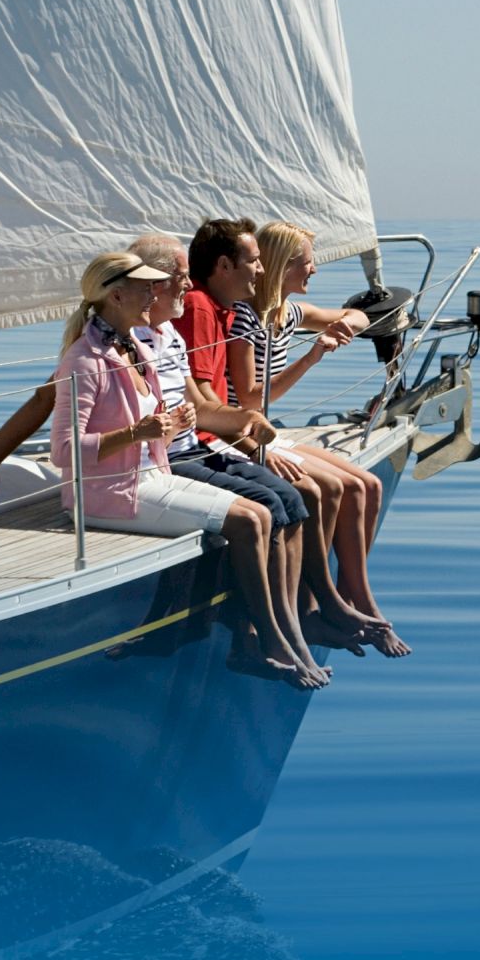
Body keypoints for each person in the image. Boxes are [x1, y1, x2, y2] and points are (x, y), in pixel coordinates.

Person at [0, 250, 321, 689]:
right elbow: (64, 450)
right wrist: (138, 432)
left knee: (261, 514)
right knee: (248, 519)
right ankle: (269, 641)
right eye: (146, 286)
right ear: (116, 295)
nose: (155, 292)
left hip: (150, 478)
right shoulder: (86, 360)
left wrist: (234, 422)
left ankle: (265, 639)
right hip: (109, 494)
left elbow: (168, 425)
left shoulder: (132, 349)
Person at [127, 231, 327, 683]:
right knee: (266, 509)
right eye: (179, 277)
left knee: (290, 502)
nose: (188, 283)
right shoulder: (135, 340)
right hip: (164, 463)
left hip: (191, 448)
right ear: (151, 285)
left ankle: (286, 625)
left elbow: (201, 406)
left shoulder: (169, 336)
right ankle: (262, 634)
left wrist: (246, 424)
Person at [220, 219, 412, 657]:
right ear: (281, 266)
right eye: (307, 262)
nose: (314, 271)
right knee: (332, 487)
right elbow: (251, 397)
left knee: (368, 484)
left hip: (263, 430)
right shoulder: (246, 319)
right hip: (240, 435)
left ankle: (351, 598)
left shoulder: (290, 313)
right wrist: (312, 356)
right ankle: (326, 605)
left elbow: (355, 316)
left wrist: (353, 319)